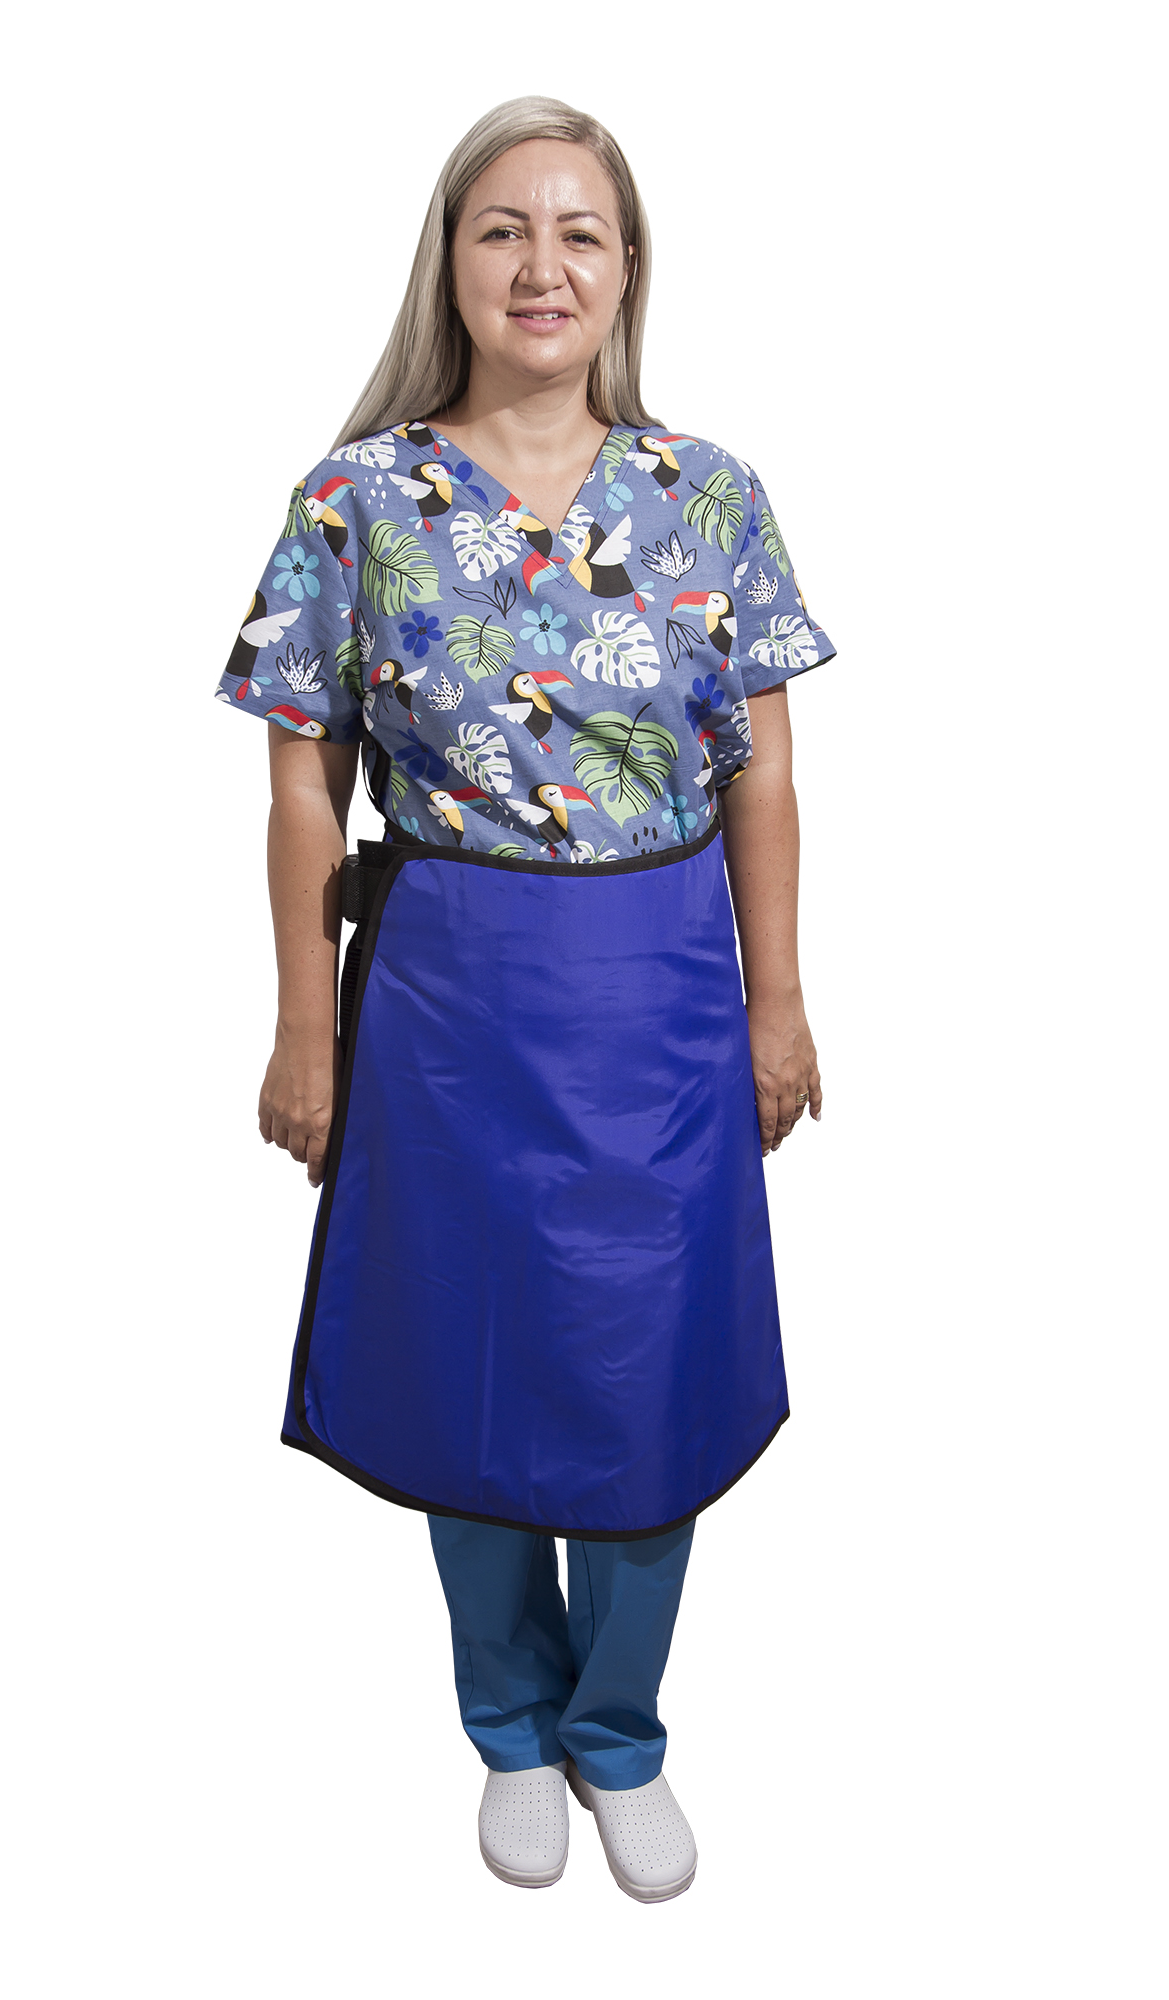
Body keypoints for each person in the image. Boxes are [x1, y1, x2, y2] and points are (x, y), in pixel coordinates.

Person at [215, 96, 833, 1902]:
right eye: (503, 228)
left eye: (579, 231)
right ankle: (507, 1722)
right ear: (451, 263)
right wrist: (306, 1026)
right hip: (447, 1002)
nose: (541, 265)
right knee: (462, 1364)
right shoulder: (361, 500)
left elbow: (765, 776)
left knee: (650, 1376)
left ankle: (617, 1730)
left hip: (658, 996)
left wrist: (779, 1002)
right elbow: (301, 782)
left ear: (628, 268)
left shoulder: (708, 495)